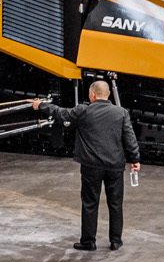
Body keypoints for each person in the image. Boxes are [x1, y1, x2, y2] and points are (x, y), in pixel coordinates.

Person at [31, 79, 141, 251]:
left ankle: (88, 241)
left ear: (92, 95)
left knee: (90, 203)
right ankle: (115, 241)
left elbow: (62, 113)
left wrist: (42, 105)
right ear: (108, 94)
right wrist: (135, 159)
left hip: (91, 166)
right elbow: (130, 138)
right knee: (115, 203)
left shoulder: (83, 111)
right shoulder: (121, 113)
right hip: (115, 166)